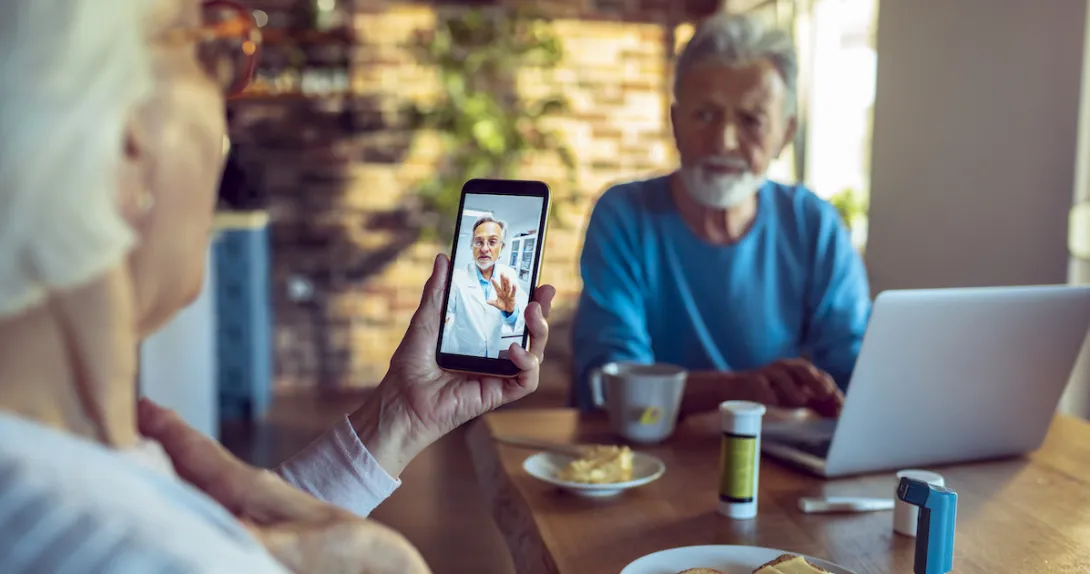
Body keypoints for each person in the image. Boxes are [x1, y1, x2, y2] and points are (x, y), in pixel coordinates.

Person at [0, 1, 554, 572]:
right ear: (124, 151)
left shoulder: (59, 474)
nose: (227, 118)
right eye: (213, 50)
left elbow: (242, 547)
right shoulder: (124, 546)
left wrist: (398, 418)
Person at [571, 12, 871, 417]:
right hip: (645, 461)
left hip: (778, 462)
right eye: (705, 115)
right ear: (676, 123)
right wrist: (740, 389)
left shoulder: (815, 224)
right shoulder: (624, 215)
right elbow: (607, 383)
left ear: (784, 134)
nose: (724, 141)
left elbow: (855, 372)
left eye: (751, 121)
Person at [442, 215, 530, 358]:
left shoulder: (509, 275)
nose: (484, 249)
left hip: (492, 354)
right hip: (460, 353)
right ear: (472, 247)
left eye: (492, 241)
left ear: (501, 247)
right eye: (478, 242)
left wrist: (511, 311)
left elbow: (523, 316)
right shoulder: (456, 277)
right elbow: (444, 316)